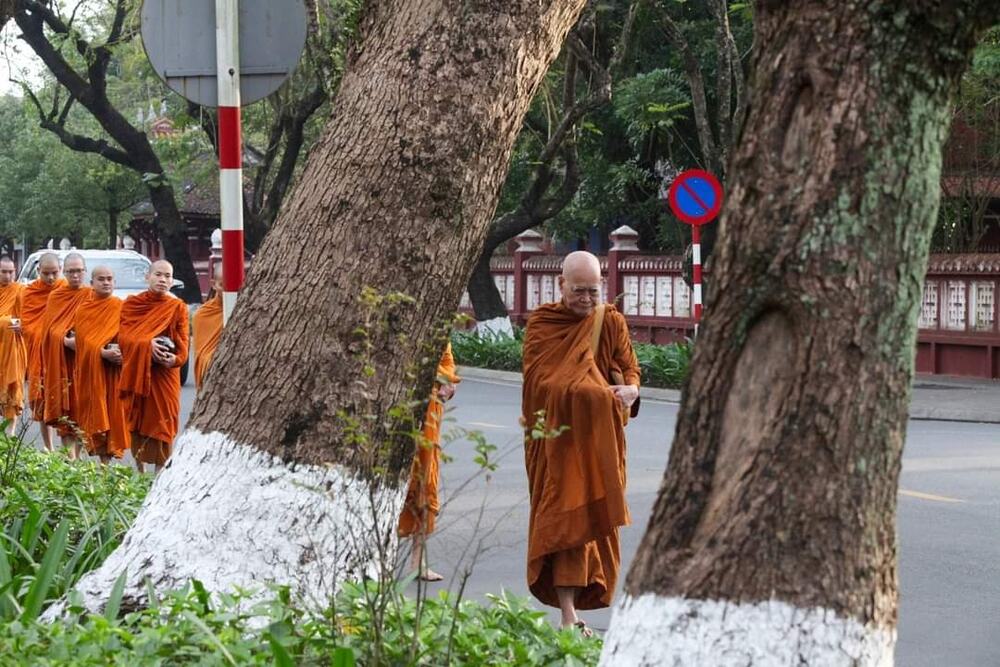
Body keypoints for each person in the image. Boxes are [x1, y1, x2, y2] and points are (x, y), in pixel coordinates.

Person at [521, 251, 640, 635]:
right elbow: (541, 384)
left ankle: (576, 608)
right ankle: (568, 613)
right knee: (563, 525)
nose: (586, 299)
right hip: (557, 446)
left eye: (593, 290)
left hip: (599, 443)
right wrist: (594, 394)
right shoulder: (543, 324)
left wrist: (631, 390)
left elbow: (630, 367)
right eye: (578, 291)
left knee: (593, 525)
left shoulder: (611, 322)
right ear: (561, 285)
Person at [397, 342, 460, 582]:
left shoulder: (437, 325)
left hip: (429, 413)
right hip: (399, 406)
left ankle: (417, 562)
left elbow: (447, 359)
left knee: (425, 483)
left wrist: (447, 381)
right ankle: (378, 559)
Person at [118, 260, 188, 474]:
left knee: (164, 424)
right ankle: (139, 474)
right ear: (147, 277)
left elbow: (184, 343)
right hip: (139, 374)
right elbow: (124, 337)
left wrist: (174, 360)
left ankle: (160, 474)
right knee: (137, 423)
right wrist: (146, 345)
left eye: (168, 276)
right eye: (158, 274)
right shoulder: (132, 305)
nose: (163, 280)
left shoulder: (177, 307)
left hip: (164, 375)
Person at [68, 266, 129, 463]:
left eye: (110, 278)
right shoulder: (84, 310)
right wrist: (102, 353)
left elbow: (129, 338)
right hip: (93, 375)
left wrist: (121, 354)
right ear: (92, 283)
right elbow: (82, 343)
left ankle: (105, 466)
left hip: (114, 373)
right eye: (101, 279)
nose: (106, 282)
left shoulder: (121, 307)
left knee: (113, 417)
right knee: (95, 417)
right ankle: (98, 467)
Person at [40, 252, 93, 459]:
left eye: (79, 271)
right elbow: (49, 331)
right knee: (66, 411)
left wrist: (83, 341)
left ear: (85, 271)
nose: (75, 275)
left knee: (83, 410)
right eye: (70, 271)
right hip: (63, 362)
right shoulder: (57, 296)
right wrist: (64, 340)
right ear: (65, 272)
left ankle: (77, 456)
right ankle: (69, 457)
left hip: (85, 363)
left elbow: (101, 328)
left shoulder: (91, 295)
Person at [22, 253, 65, 452]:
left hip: (62, 354)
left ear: (61, 270)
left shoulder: (66, 290)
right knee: (42, 398)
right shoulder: (30, 292)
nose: (50, 278)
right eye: (46, 273)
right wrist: (44, 334)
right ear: (38, 271)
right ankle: (49, 447)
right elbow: (27, 324)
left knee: (64, 399)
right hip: (39, 353)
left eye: (54, 273)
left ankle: (69, 448)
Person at [0, 256, 26, 434]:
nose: (8, 276)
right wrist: (6, 322)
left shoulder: (21, 291)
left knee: (12, 389)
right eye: (4, 272)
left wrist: (21, 324)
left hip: (14, 350)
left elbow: (29, 319)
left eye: (11, 272)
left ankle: (10, 437)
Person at [192, 267, 223, 391]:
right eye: (222, 285)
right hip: (213, 373)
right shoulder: (203, 315)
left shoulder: (248, 310)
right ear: (213, 284)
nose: (229, 290)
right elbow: (201, 354)